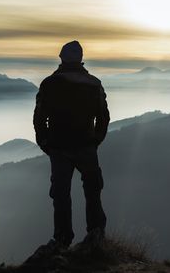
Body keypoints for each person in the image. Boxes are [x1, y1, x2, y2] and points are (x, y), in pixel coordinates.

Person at [33, 40, 110, 250]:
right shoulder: (94, 84)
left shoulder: (49, 84)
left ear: (61, 58)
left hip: (59, 148)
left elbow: (40, 117)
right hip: (86, 146)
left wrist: (45, 143)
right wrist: (95, 141)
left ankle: (62, 240)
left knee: (61, 194)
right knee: (93, 190)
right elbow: (103, 117)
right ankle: (96, 235)